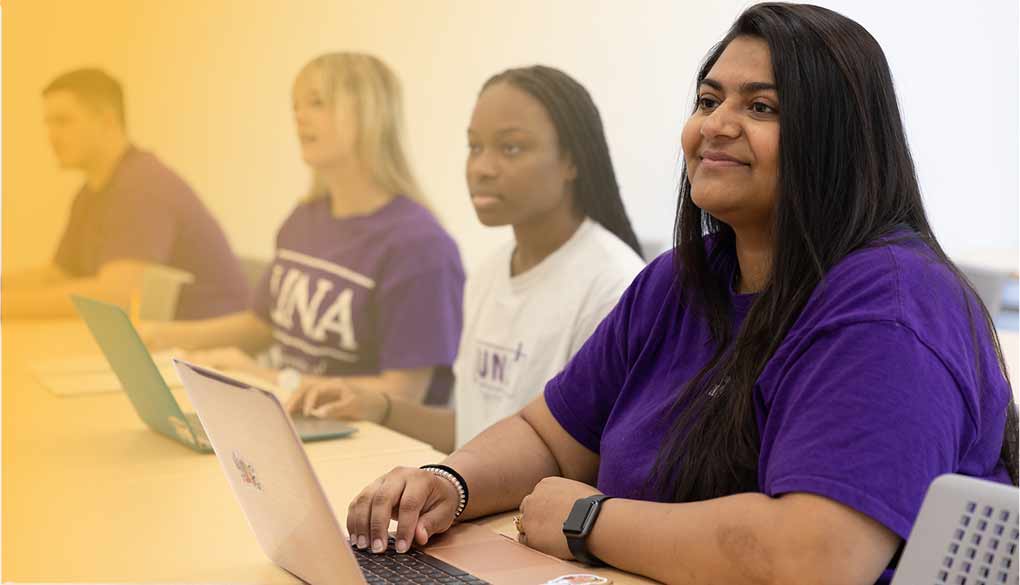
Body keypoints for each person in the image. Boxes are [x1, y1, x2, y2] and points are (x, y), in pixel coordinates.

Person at [343, 4, 1019, 585]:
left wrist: (587, 518)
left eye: (761, 106)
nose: (715, 124)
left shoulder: (891, 303)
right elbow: (548, 437)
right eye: (707, 100)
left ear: (838, 142)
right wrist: (450, 483)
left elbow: (818, 557)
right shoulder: (678, 281)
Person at [287, 65, 645, 452]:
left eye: (511, 148)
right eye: (475, 147)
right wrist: (381, 407)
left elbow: (581, 463)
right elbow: (476, 433)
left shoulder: (613, 287)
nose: (482, 169)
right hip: (474, 493)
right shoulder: (488, 273)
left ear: (571, 161)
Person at [144, 53, 464, 405]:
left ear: (370, 115)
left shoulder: (420, 247)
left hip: (366, 440)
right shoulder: (304, 218)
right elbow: (263, 325)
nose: (299, 117)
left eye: (318, 103)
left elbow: (403, 393)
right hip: (292, 415)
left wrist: (264, 379)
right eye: (295, 105)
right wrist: (160, 337)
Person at [3, 68, 249, 320]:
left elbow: (116, 297)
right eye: (48, 123)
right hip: (157, 339)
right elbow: (58, 275)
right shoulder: (91, 192)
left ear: (107, 121)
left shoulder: (142, 186)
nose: (51, 136)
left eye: (63, 121)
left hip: (208, 347)